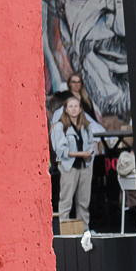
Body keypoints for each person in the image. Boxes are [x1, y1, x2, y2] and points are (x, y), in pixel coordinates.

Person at [50, 94, 97, 223]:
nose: (74, 109)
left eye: (76, 106)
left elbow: (91, 144)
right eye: (71, 106)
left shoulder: (86, 126)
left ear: (81, 109)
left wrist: (89, 155)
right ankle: (64, 229)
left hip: (85, 165)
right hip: (68, 166)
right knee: (66, 200)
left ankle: (84, 230)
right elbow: (61, 150)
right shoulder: (60, 127)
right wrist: (82, 154)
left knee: (84, 201)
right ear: (65, 109)